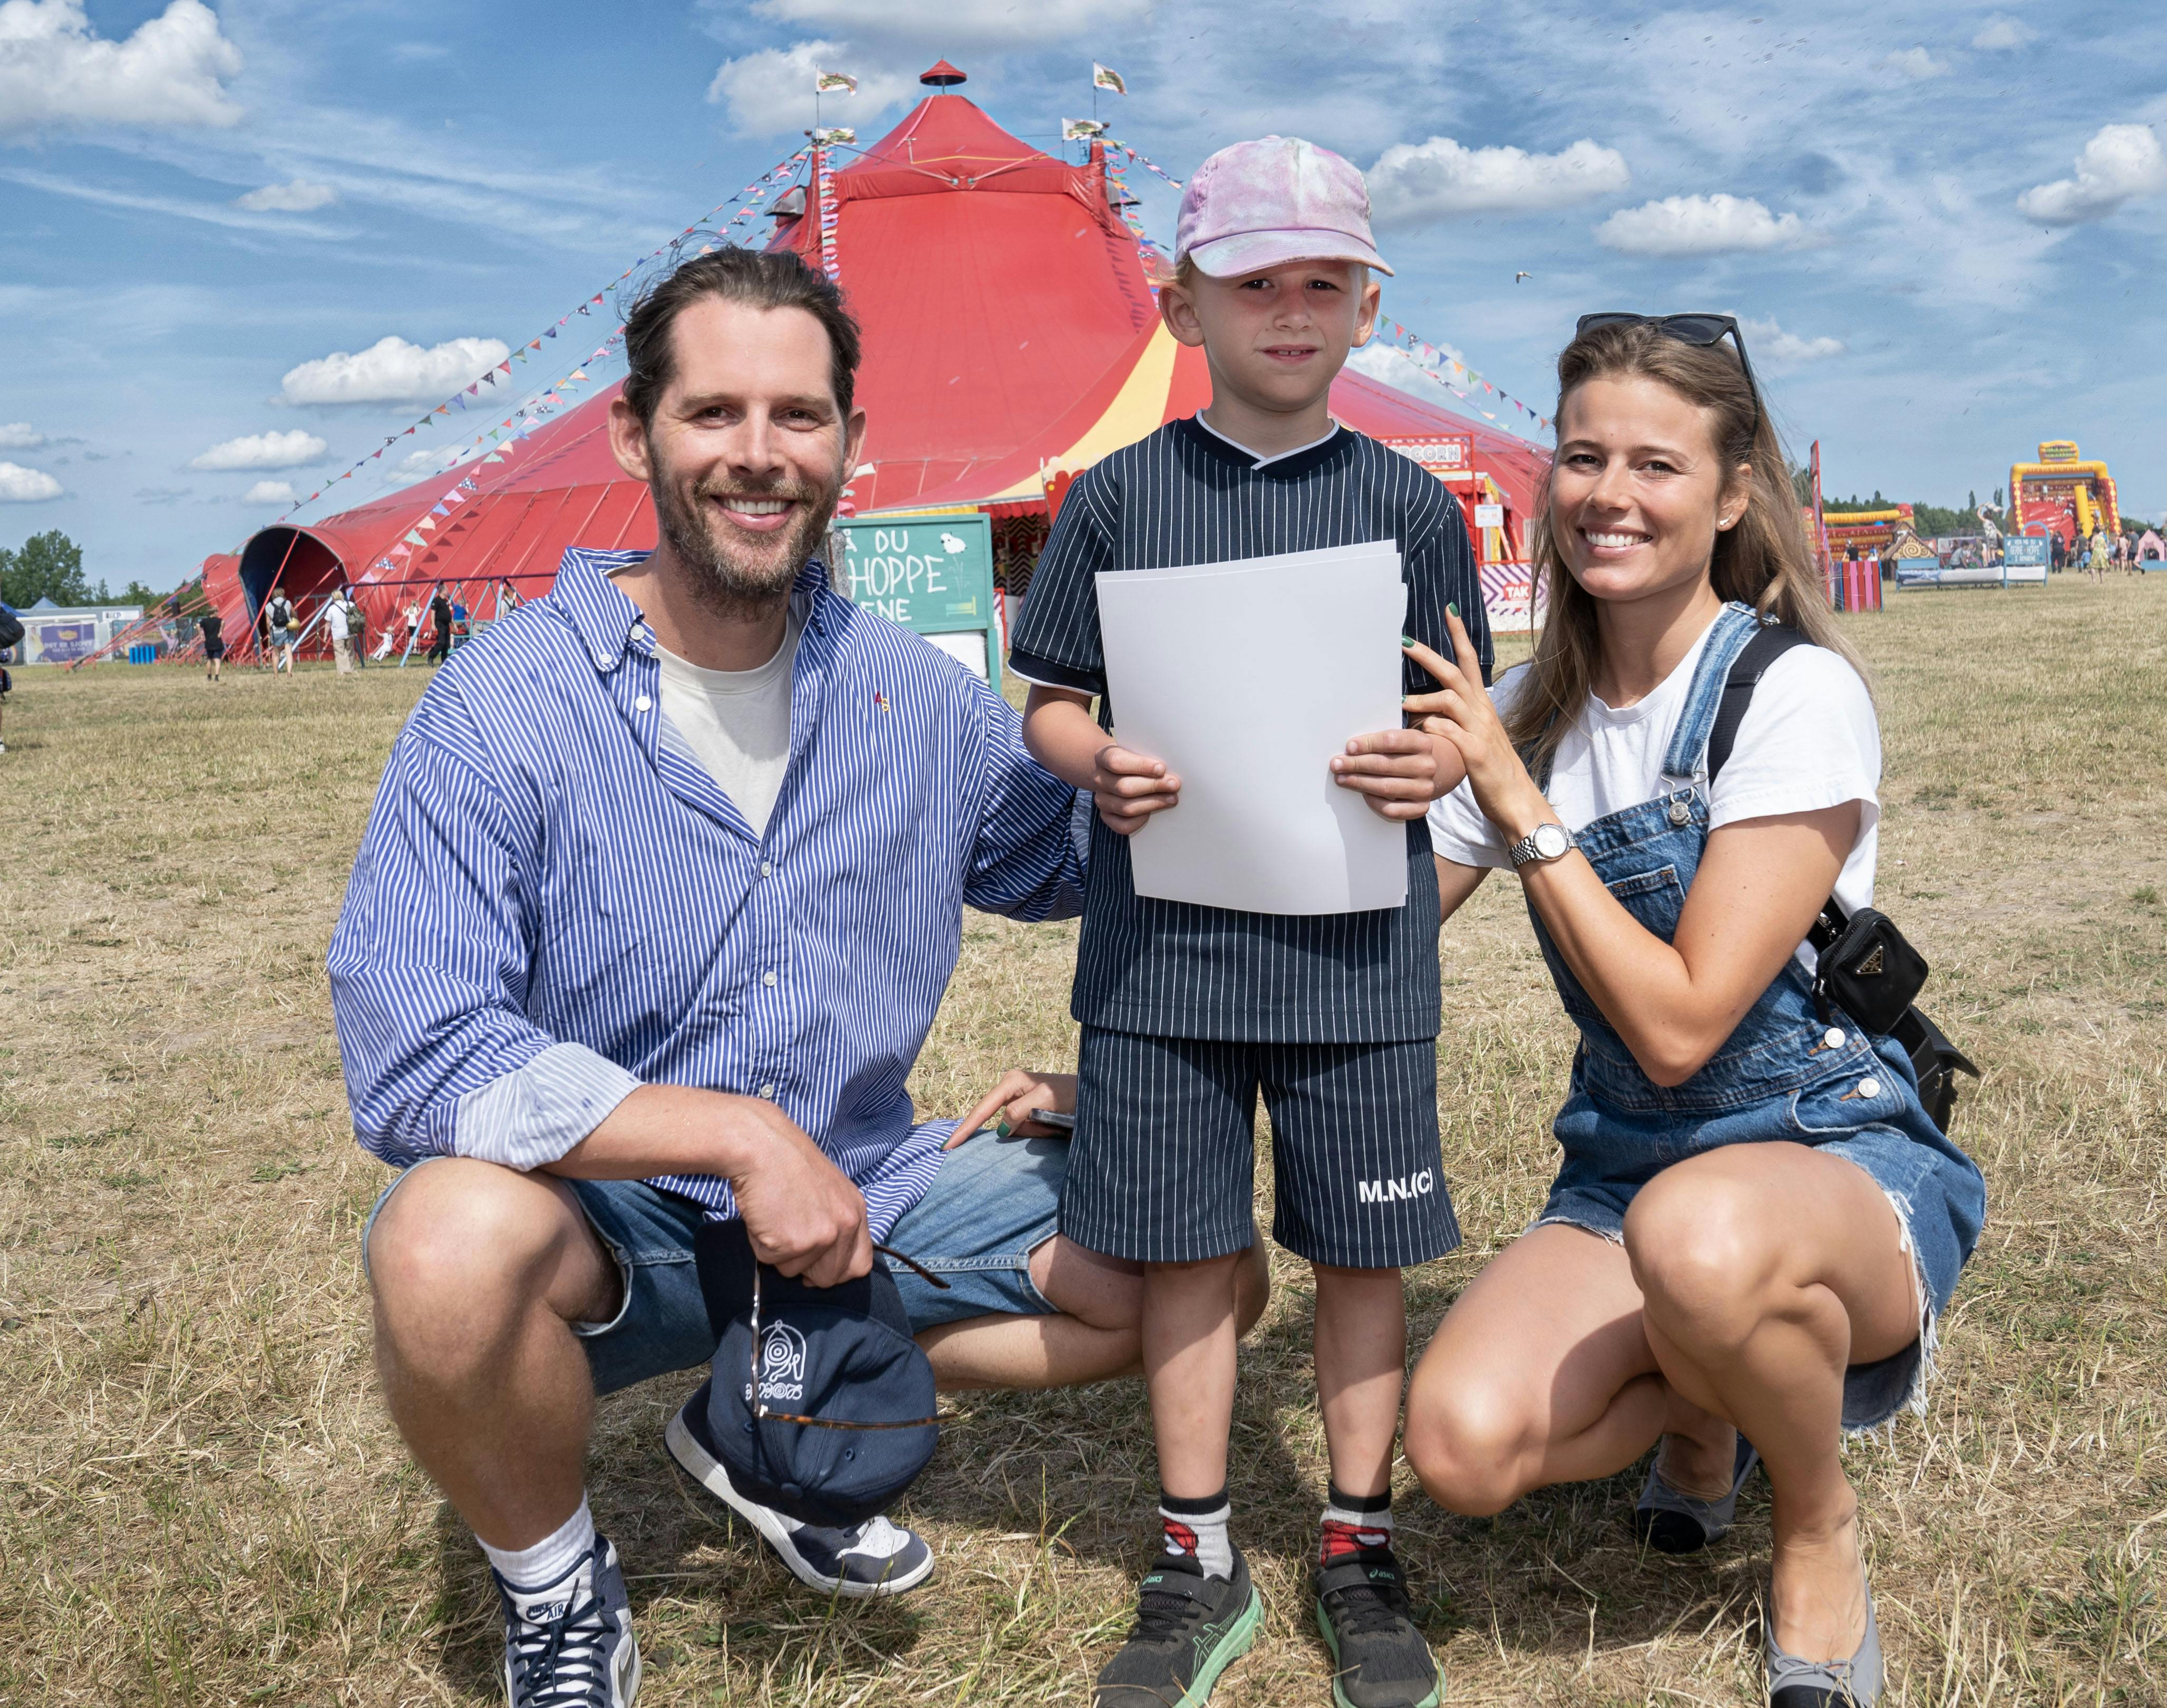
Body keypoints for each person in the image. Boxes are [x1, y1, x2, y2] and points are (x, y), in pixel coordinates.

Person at [331, 246, 1266, 1708]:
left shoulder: (917, 698)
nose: (758, 458)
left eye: (798, 417)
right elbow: (413, 1049)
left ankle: (752, 1413)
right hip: (612, 1208)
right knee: (441, 1247)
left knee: (1193, 1271)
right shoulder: (502, 703)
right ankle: (557, 1586)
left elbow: (1085, 866)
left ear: (848, 443)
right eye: (713, 415)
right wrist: (729, 1133)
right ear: (635, 436)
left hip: (863, 1188)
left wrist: (1250, 732)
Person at [1399, 314, 1986, 1707]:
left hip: (1821, 1151)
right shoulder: (1535, 712)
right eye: (1582, 456)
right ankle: (1711, 1410)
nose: (1609, 493)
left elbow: (1678, 1026)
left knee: (1701, 1234)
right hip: (1622, 1167)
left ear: (1729, 497)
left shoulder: (1788, 694)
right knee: (1459, 1448)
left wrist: (1518, 809)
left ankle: (1811, 1522)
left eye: (1654, 464)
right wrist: (1139, 1052)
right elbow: (1367, 943)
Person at [1008, 135, 1483, 1708]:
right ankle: (1194, 1548)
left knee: (1360, 1253)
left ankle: (1356, 1541)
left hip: (1356, 955)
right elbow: (1049, 699)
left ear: (1364, 309)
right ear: (1180, 304)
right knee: (1185, 1252)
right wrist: (1095, 763)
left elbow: (1456, 722)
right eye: (1251, 282)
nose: (1288, 310)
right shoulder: (1112, 498)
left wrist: (1428, 762)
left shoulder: (1412, 509)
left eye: (1321, 283)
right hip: (1157, 962)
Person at [264, 587, 298, 673]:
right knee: (289, 652)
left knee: (276, 654)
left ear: (274, 595)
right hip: (287, 631)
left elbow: (268, 623)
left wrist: (270, 632)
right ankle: (289, 672)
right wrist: (295, 625)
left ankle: (276, 674)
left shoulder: (268, 606)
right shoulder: (288, 603)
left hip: (275, 632)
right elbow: (294, 615)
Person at [325, 585, 356, 674]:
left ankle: (344, 671)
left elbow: (328, 624)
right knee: (350, 651)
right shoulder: (351, 604)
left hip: (338, 634)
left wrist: (325, 636)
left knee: (340, 653)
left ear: (333, 598)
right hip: (350, 632)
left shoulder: (331, 609)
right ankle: (352, 669)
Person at [425, 584, 453, 664]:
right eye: (447, 590)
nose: (448, 592)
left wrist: (453, 624)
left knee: (447, 644)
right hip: (440, 624)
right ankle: (431, 656)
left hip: (446, 625)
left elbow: (448, 614)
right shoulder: (436, 601)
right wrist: (433, 625)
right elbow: (433, 613)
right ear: (443, 591)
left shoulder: (446, 601)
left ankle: (444, 662)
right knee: (441, 642)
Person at [199, 608, 225, 683]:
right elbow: (223, 622)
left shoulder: (205, 621)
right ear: (214, 613)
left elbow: (198, 625)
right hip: (217, 642)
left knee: (209, 659)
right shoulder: (218, 620)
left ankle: (209, 676)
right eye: (217, 612)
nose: (218, 614)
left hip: (209, 643)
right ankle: (216, 677)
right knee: (217, 660)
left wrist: (201, 635)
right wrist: (221, 632)